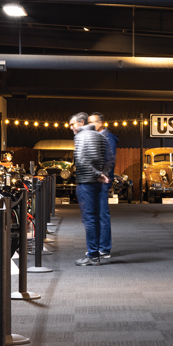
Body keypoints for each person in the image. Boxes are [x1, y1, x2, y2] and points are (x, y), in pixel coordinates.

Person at [70, 112, 110, 266]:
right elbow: (109, 159)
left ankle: (92, 255)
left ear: (81, 122)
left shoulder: (80, 137)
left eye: (73, 124)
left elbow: (80, 160)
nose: (72, 128)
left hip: (86, 183)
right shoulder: (101, 136)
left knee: (89, 219)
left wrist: (97, 173)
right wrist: (102, 174)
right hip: (98, 183)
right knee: (97, 217)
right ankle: (97, 252)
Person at [88, 112, 118, 259]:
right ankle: (98, 247)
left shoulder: (108, 138)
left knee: (102, 215)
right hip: (94, 181)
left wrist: (102, 175)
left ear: (101, 123)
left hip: (102, 181)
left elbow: (110, 161)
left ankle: (105, 248)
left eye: (92, 122)